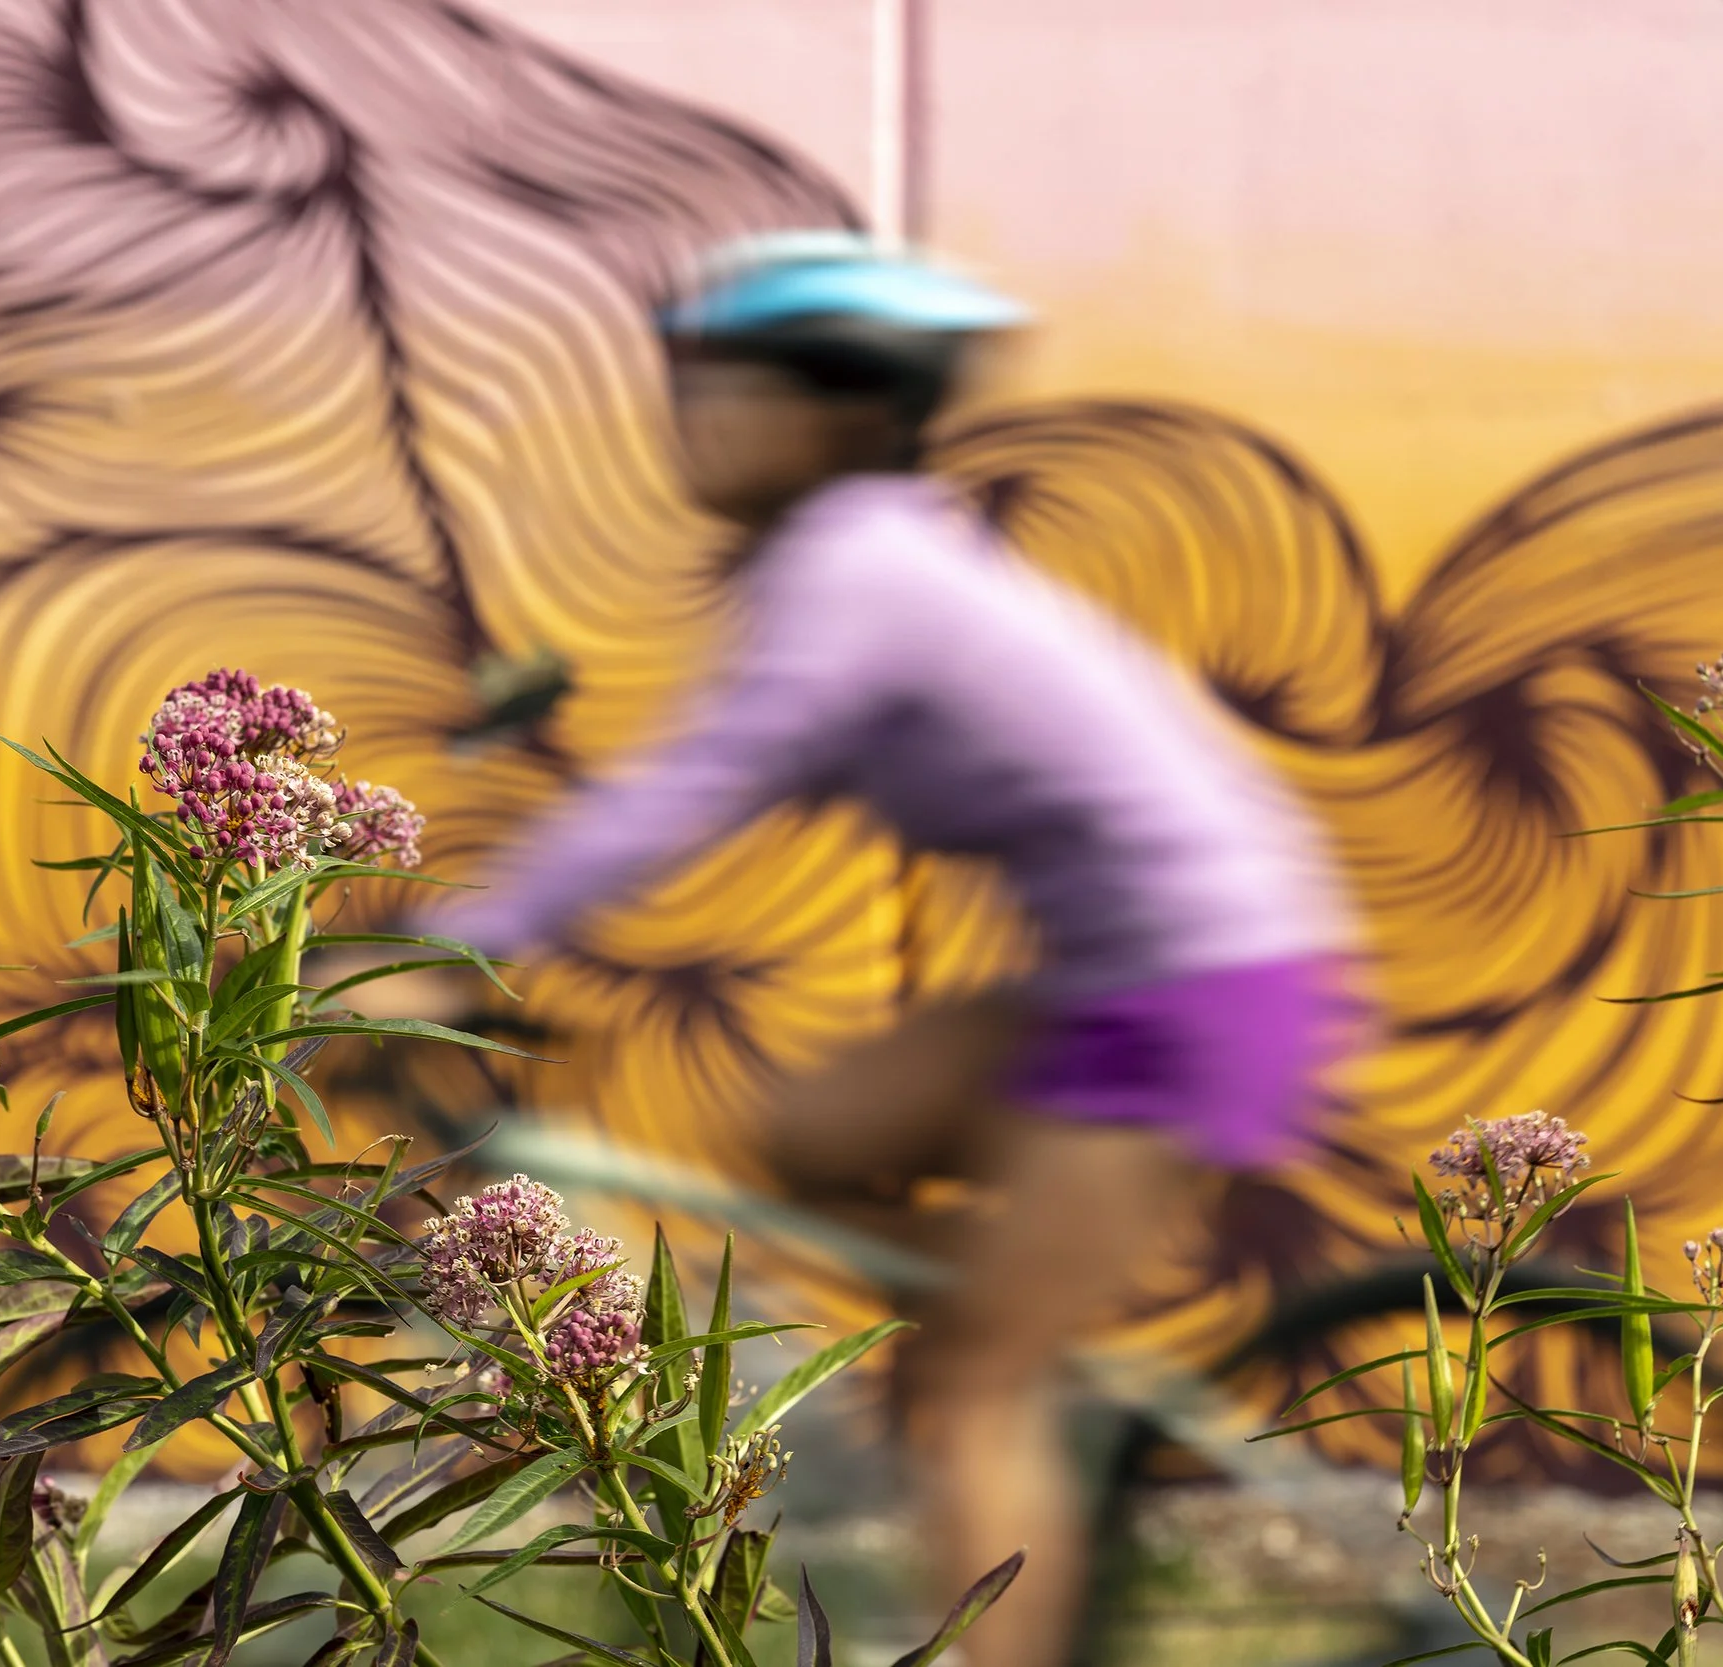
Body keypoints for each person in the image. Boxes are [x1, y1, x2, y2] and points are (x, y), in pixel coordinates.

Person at [350, 232, 1360, 1667]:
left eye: (724, 387)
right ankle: (1023, 1318)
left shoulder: (857, 568)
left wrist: (466, 943)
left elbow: (700, 780)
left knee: (961, 1393)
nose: (688, 415)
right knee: (808, 1130)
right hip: (1115, 980)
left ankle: (1004, 1430)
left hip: (1196, 994)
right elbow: (738, 777)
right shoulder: (869, 564)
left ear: (839, 412)